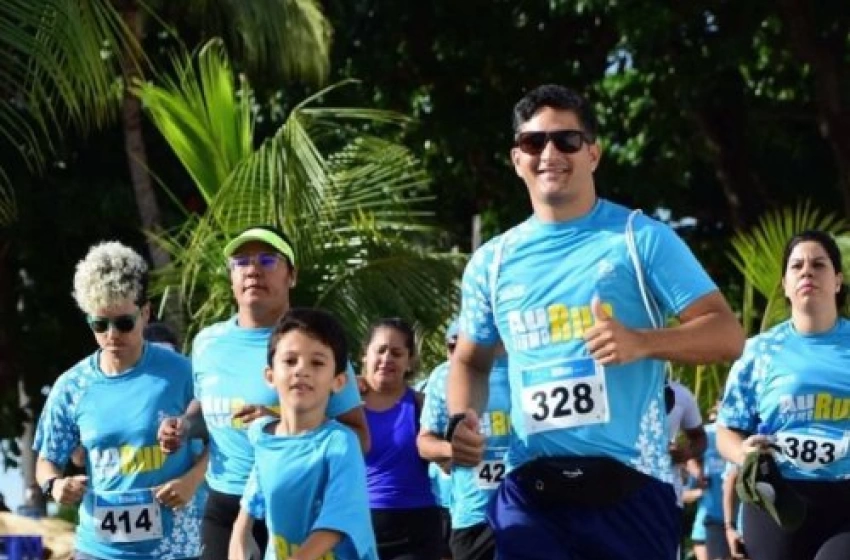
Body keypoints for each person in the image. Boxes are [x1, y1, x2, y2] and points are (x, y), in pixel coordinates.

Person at [446, 84, 745, 559]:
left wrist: (643, 342)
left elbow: (727, 335)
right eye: (534, 142)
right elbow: (470, 361)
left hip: (629, 487)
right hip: (531, 489)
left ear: (593, 153)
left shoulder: (640, 239)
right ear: (516, 158)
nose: (550, 153)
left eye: (566, 140)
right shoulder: (491, 262)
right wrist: (461, 418)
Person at [158, 225, 368, 560]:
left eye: (268, 259)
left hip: (297, 506)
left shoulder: (314, 348)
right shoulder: (207, 343)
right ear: (231, 277)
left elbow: (360, 438)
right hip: (227, 505)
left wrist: (283, 422)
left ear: (292, 276)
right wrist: (183, 425)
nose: (253, 269)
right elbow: (208, 407)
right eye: (241, 261)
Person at [33, 241, 206, 560]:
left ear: (145, 313)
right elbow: (47, 461)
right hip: (99, 550)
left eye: (123, 323)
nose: (112, 335)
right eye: (99, 324)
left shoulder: (184, 373)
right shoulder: (72, 386)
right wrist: (55, 486)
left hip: (176, 550)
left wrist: (192, 480)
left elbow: (223, 439)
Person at [717, 230, 850, 560]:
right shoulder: (758, 351)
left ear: (837, 281)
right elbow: (726, 430)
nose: (807, 271)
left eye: (819, 264)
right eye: (797, 266)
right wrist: (743, 453)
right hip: (777, 495)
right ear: (786, 286)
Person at [228, 308, 377, 560]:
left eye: (317, 362)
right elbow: (259, 482)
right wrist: (240, 531)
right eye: (290, 361)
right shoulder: (263, 436)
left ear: (338, 382)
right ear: (270, 375)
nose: (301, 370)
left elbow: (338, 519)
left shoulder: (340, 444)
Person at [419, 322, 509, 560]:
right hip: (474, 516)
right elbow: (424, 442)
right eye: (452, 343)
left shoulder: (529, 360)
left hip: (532, 508)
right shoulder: (445, 375)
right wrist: (454, 449)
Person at [361, 318, 442, 560]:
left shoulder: (422, 406)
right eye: (381, 350)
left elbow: (449, 461)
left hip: (415, 529)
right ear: (365, 355)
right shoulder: (343, 405)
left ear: (409, 362)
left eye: (396, 353)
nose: (387, 359)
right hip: (359, 524)